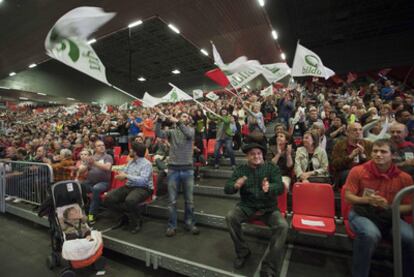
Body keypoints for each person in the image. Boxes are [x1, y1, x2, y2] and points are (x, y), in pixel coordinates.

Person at [344, 139, 413, 277]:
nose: (378, 154)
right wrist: (366, 200)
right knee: (370, 234)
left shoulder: (404, 178)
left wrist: (388, 206)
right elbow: (348, 196)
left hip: (390, 216)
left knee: (409, 238)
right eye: (375, 151)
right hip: (362, 213)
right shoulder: (358, 171)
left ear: (392, 155)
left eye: (383, 151)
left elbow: (409, 207)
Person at [225, 143, 288, 276]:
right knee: (231, 217)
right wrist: (236, 185)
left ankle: (269, 265)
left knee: (282, 226)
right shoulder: (241, 169)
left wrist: (269, 188)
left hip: (268, 209)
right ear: (247, 156)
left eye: (258, 153)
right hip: (247, 207)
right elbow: (227, 188)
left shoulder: (271, 168)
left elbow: (280, 187)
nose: (256, 156)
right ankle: (243, 252)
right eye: (252, 154)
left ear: (262, 155)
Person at [155, 109, 199, 237]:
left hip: (188, 169)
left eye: (186, 117)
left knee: (189, 201)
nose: (185, 118)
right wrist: (159, 119)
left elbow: (189, 135)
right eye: (183, 116)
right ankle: (172, 225)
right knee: (172, 201)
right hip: (173, 169)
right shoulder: (172, 132)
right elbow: (158, 133)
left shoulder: (191, 130)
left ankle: (189, 223)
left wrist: (178, 121)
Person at [105, 142, 153, 234]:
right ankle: (123, 217)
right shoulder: (131, 162)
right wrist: (115, 170)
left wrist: (126, 176)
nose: (129, 151)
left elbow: (143, 181)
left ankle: (137, 222)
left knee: (130, 200)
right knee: (109, 198)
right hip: (129, 186)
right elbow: (124, 170)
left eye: (131, 150)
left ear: (135, 152)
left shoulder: (147, 164)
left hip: (144, 188)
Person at [79, 140, 113, 223]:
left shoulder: (107, 157)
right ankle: (82, 211)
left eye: (103, 145)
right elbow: (81, 171)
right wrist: (85, 165)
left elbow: (107, 168)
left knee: (96, 189)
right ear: (95, 148)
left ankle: (91, 216)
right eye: (99, 145)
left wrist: (94, 162)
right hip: (90, 182)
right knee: (78, 185)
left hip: (103, 183)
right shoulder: (92, 157)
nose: (102, 147)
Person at [331, 123, 373, 187]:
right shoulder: (339, 145)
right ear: (347, 133)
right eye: (355, 130)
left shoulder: (369, 145)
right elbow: (334, 165)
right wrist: (350, 157)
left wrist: (363, 156)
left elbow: (374, 164)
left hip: (365, 173)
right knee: (350, 173)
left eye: (360, 130)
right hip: (346, 173)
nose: (358, 132)